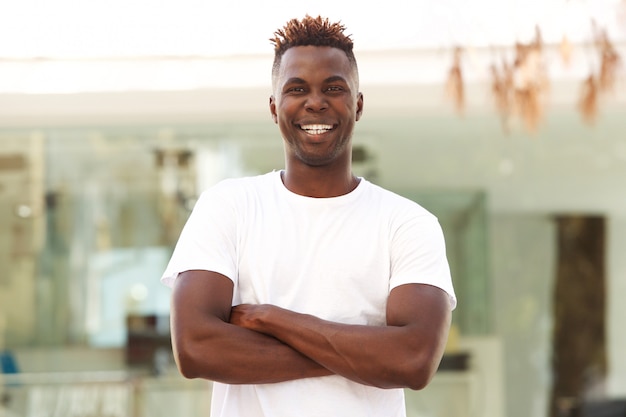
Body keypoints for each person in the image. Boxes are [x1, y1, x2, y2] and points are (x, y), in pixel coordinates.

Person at [161, 15, 457, 417]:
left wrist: (272, 318)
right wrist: (365, 353)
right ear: (273, 107)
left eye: (334, 88)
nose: (315, 102)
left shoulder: (407, 223)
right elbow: (196, 348)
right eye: (296, 88)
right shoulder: (228, 206)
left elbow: (413, 361)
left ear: (358, 104)